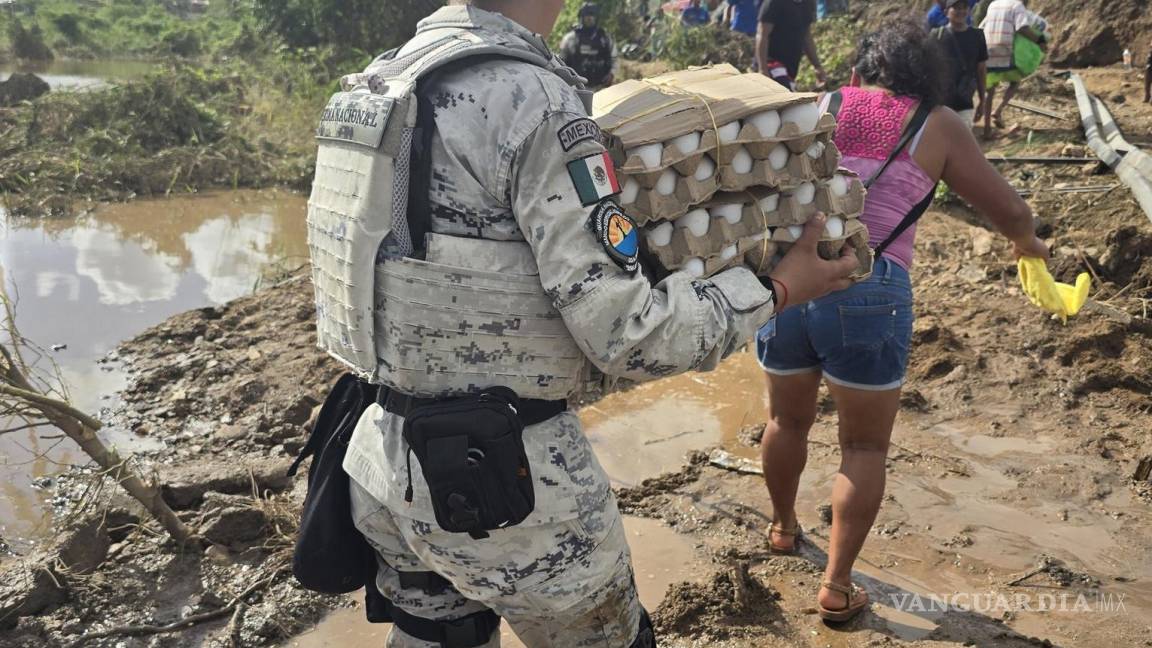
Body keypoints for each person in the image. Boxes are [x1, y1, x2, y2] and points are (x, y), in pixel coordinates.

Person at [310, 1, 861, 646]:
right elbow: (631, 335)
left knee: (437, 637)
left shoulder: (376, 86)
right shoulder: (533, 100)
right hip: (512, 488)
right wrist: (777, 289)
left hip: (378, 464)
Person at [755, 19, 1048, 624]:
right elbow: (1008, 208)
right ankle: (836, 586)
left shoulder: (822, 102)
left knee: (784, 419)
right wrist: (1029, 246)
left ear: (862, 69)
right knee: (863, 446)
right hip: (870, 288)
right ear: (929, 75)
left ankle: (783, 528)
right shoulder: (938, 123)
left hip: (788, 279)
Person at [979, 0, 1046, 138]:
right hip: (1004, 51)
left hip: (986, 50)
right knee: (1015, 81)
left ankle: (987, 130)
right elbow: (1022, 28)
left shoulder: (994, 4)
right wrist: (1040, 41)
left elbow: (981, 26)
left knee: (989, 90)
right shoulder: (1017, 5)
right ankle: (998, 110)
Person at [934, 0, 988, 125]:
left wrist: (982, 101)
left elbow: (981, 70)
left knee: (962, 142)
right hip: (939, 104)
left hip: (965, 103)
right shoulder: (936, 36)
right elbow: (928, 69)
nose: (961, 11)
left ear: (969, 11)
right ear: (946, 12)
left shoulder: (978, 36)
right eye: (956, 8)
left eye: (964, 7)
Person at [757, 0, 827, 91]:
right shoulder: (774, 3)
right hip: (772, 64)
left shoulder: (808, 3)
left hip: (791, 66)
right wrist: (763, 69)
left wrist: (817, 66)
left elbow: (806, 35)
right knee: (786, 95)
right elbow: (762, 35)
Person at [558, 3, 617, 88]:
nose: (589, 18)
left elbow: (614, 58)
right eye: (586, 15)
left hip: (600, 86)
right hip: (576, 87)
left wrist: (612, 74)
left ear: (597, 17)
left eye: (592, 15)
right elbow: (561, 60)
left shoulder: (605, 38)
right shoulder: (571, 38)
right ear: (581, 17)